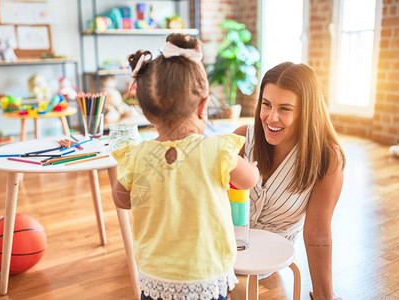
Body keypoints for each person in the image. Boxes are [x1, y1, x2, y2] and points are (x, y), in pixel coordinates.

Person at [111, 33, 260, 300]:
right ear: (203, 106)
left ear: (146, 112)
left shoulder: (138, 155)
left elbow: (122, 200)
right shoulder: (216, 150)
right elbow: (249, 180)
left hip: (156, 276)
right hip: (204, 272)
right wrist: (254, 167)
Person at [234, 62, 345, 300]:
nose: (271, 117)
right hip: (222, 248)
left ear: (307, 111)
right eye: (266, 104)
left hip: (270, 258)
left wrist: (325, 296)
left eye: (285, 108)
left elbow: (317, 234)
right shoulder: (243, 138)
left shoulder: (327, 159)